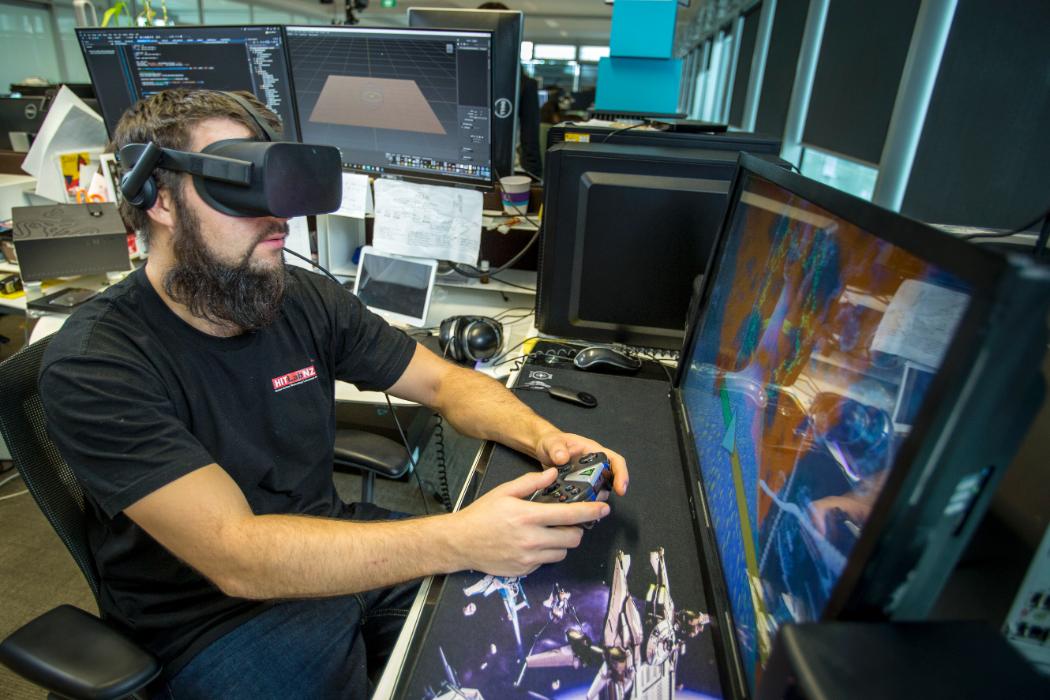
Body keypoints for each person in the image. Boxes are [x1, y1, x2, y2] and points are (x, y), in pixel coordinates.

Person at [37, 90, 628, 698]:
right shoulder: (98, 363)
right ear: (159, 197)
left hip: (339, 550)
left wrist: (546, 438)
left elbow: (444, 381)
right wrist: (460, 538)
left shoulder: (300, 298)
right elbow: (237, 555)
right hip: (217, 622)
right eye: (242, 184)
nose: (279, 217)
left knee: (533, 647)